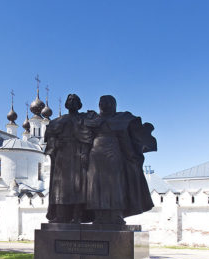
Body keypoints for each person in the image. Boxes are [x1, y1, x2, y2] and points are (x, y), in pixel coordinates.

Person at [86, 95, 155, 224]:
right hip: (96, 155)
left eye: (107, 102)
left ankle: (116, 214)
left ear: (113, 105)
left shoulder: (120, 119)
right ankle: (99, 215)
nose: (104, 105)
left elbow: (125, 139)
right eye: (102, 102)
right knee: (96, 184)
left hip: (112, 152)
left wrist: (131, 155)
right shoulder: (93, 119)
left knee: (115, 183)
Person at [44, 94, 95, 223]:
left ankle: (77, 216)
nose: (72, 103)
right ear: (66, 104)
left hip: (78, 154)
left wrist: (84, 153)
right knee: (60, 187)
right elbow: (50, 139)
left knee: (79, 185)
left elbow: (89, 136)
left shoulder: (83, 119)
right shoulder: (58, 121)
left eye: (75, 101)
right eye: (69, 100)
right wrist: (55, 144)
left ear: (79, 104)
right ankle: (61, 216)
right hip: (62, 156)